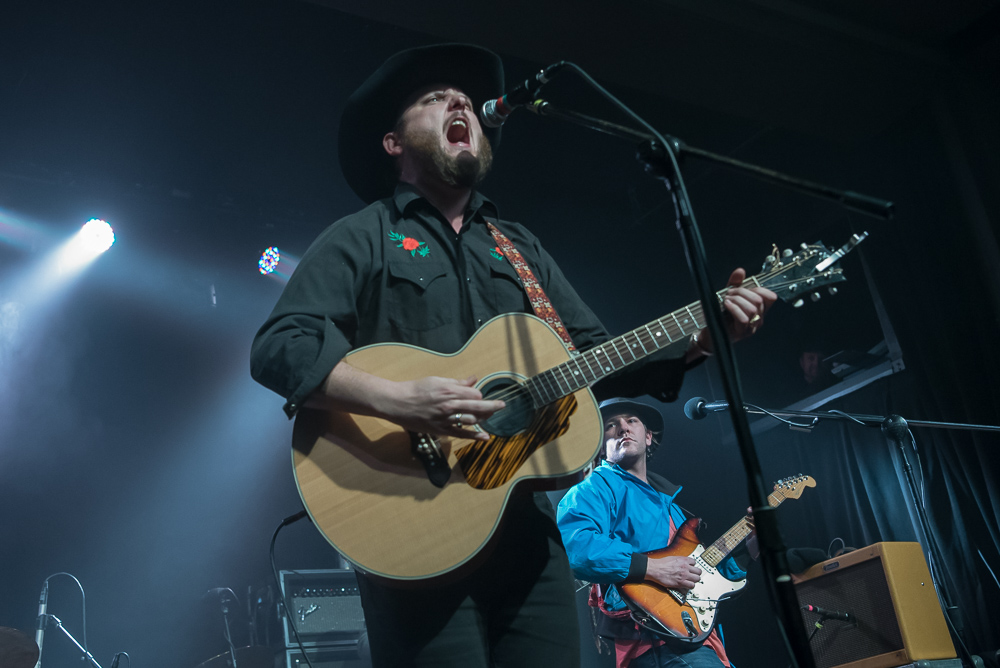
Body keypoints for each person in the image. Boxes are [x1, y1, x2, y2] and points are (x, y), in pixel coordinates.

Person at [250, 43, 775, 668]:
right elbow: (281, 346)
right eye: (433, 98)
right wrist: (401, 399)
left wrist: (699, 341)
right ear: (393, 143)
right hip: (413, 521)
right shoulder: (364, 236)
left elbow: (593, 355)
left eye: (468, 101)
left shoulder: (516, 245)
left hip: (529, 528)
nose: (460, 104)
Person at [557, 398, 756, 668]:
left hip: (699, 639)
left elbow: (706, 576)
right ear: (599, 446)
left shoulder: (673, 507)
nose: (623, 428)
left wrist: (750, 549)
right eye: (611, 425)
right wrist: (653, 568)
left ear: (648, 437)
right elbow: (579, 550)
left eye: (632, 421)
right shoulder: (593, 489)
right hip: (653, 645)